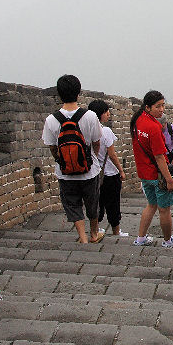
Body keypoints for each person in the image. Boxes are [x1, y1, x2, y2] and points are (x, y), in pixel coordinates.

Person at [41, 74, 104, 244]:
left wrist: (62, 161)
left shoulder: (51, 120)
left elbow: (52, 147)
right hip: (89, 171)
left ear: (59, 94)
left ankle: (82, 238)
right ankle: (93, 234)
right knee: (92, 203)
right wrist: (93, 158)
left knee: (72, 204)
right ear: (78, 93)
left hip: (65, 173)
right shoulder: (90, 116)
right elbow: (97, 142)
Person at [131, 90, 173, 248]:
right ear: (147, 107)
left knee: (151, 204)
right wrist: (169, 180)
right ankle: (167, 241)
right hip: (157, 175)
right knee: (164, 209)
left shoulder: (137, 120)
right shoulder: (153, 127)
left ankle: (140, 238)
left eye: (163, 105)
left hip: (144, 173)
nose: (162, 109)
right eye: (157, 106)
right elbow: (160, 157)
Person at [88, 100, 128, 237]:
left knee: (97, 203)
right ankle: (116, 232)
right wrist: (121, 170)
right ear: (100, 114)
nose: (109, 114)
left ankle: (96, 230)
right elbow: (112, 154)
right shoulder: (105, 131)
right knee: (113, 204)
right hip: (110, 175)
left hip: (93, 175)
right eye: (106, 112)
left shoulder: (87, 130)